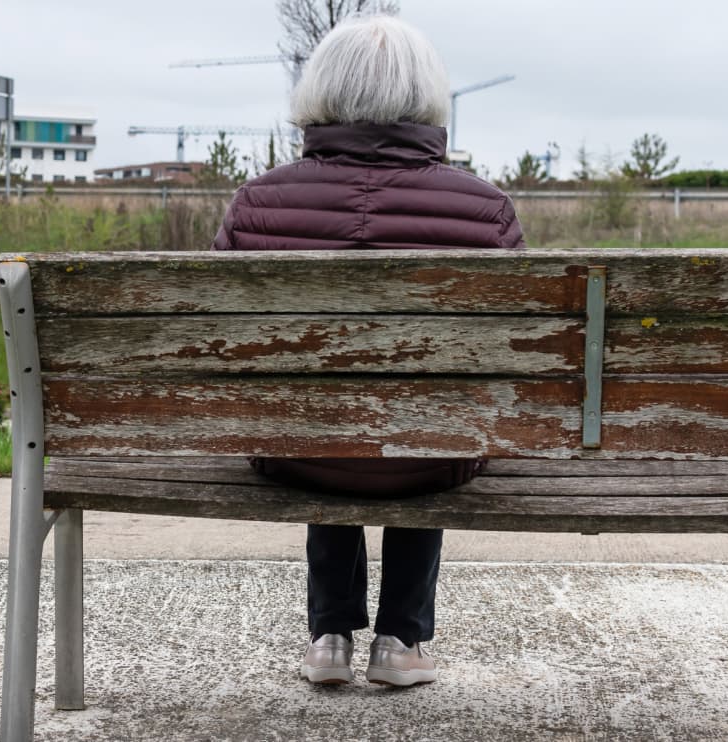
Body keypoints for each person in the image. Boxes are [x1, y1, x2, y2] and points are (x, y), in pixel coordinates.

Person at [211, 14, 525, 687]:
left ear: (320, 91)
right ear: (427, 99)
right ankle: (401, 642)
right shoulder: (487, 212)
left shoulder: (255, 205)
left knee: (316, 414)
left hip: (298, 453)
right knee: (433, 418)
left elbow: (217, 351)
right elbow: (516, 365)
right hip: (431, 458)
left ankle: (329, 637)